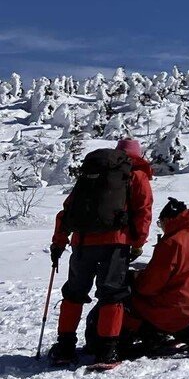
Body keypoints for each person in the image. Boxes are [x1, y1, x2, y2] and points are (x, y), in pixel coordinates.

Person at [47, 139, 154, 366]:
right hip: (116, 242)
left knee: (74, 293)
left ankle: (65, 346)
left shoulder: (93, 173)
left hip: (82, 242)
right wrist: (137, 243)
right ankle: (108, 350)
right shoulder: (136, 176)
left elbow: (68, 210)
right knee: (112, 294)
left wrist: (59, 241)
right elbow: (143, 212)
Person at [86, 197, 189, 357]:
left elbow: (149, 286)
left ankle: (137, 336)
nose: (162, 228)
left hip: (169, 310)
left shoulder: (172, 242)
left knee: (122, 299)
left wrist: (135, 278)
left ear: (168, 219)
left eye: (161, 223)